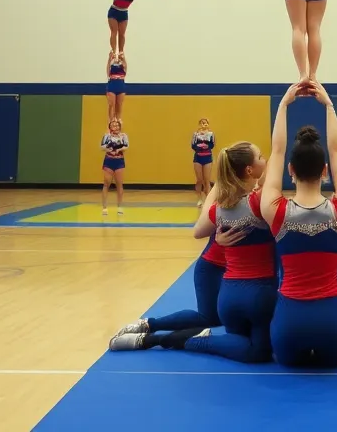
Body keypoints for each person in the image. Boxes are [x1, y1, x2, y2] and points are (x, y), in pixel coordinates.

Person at [112, 141, 274, 360]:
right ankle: (149, 326)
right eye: (260, 156)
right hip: (215, 268)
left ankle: (161, 334)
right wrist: (218, 233)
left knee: (221, 321)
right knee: (209, 318)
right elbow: (198, 231)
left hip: (240, 277)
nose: (265, 159)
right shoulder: (223, 194)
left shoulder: (257, 195)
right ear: (247, 168)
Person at [262, 81, 337, 367]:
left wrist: (283, 105)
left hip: (289, 328)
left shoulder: (275, 211)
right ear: (325, 171)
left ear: (291, 171)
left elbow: (277, 152)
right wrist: (328, 105)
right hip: (334, 327)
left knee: (287, 360)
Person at [101, 120, 129, 216]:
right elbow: (102, 146)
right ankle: (104, 207)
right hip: (109, 160)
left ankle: (120, 207)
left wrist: (119, 149)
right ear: (110, 126)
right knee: (106, 183)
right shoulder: (107, 136)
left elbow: (126, 146)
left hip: (119, 161)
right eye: (113, 125)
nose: (115, 126)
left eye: (117, 125)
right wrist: (109, 149)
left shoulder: (123, 136)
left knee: (119, 184)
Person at [191, 118, 215, 206]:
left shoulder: (211, 134)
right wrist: (199, 147)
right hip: (198, 158)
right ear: (199, 124)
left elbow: (212, 144)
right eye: (202, 123)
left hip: (207, 158)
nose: (203, 124)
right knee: (199, 180)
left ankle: (208, 200)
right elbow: (193, 145)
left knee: (207, 180)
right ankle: (199, 199)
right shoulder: (196, 134)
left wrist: (206, 146)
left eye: (205, 123)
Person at [105, 52, 127, 123]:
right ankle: (111, 121)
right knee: (112, 104)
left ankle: (118, 120)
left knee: (119, 105)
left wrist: (123, 58)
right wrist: (109, 59)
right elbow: (108, 72)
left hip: (120, 85)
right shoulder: (111, 64)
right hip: (112, 84)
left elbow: (125, 68)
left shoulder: (122, 65)